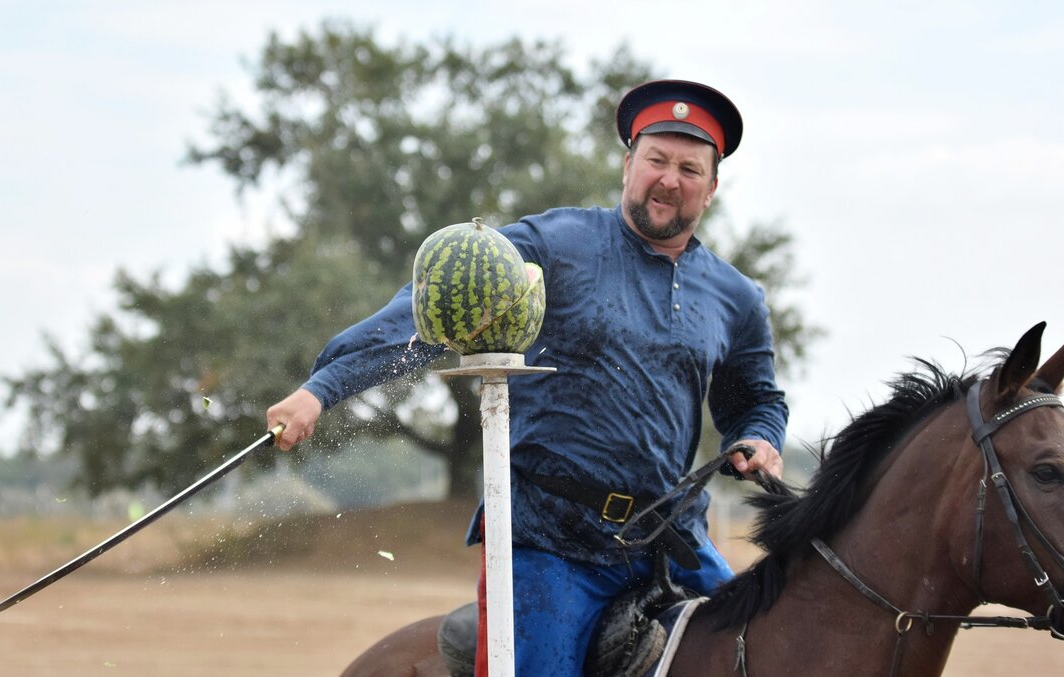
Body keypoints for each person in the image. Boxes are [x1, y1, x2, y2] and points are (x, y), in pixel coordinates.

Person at [266, 79, 788, 675]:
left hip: (674, 542)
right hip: (549, 543)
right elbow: (433, 308)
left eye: (690, 169)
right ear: (628, 166)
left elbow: (757, 400)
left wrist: (760, 437)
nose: (670, 179)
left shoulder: (736, 297)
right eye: (657, 161)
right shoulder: (558, 245)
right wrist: (321, 389)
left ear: (713, 187)